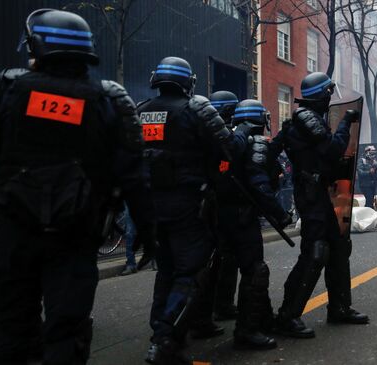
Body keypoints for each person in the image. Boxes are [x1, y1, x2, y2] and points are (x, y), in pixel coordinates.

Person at [0, 9, 157, 364]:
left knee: (12, 330)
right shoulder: (109, 101)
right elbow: (133, 176)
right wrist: (148, 235)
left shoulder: (7, 89)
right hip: (76, 236)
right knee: (66, 331)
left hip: (15, 233)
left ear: (37, 46)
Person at [138, 57, 250, 364]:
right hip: (187, 205)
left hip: (151, 206)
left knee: (167, 270)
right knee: (190, 272)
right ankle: (165, 341)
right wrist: (242, 131)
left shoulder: (141, 110)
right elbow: (228, 148)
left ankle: (158, 332)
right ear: (189, 82)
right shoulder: (196, 109)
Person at [272, 72, 367, 339]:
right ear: (321, 95)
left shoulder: (301, 121)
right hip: (312, 195)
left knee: (338, 247)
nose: (329, 98)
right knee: (315, 252)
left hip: (322, 193)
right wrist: (346, 122)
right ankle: (288, 315)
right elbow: (332, 151)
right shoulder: (308, 121)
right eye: (327, 93)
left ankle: (339, 307)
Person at [214, 99, 292, 349]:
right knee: (255, 270)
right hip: (242, 216)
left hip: (220, 216)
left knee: (223, 265)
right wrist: (281, 214)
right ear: (260, 120)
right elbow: (260, 184)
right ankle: (247, 331)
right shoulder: (254, 143)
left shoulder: (226, 141)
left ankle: (263, 318)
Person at [206, 90, 240, 322]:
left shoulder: (198, 129)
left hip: (204, 204)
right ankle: (222, 306)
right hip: (223, 205)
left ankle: (204, 312)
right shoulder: (225, 136)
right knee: (227, 258)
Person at [120, 204, 138, 275]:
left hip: (144, 198)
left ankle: (154, 259)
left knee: (149, 229)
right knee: (129, 232)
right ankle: (131, 264)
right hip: (130, 199)